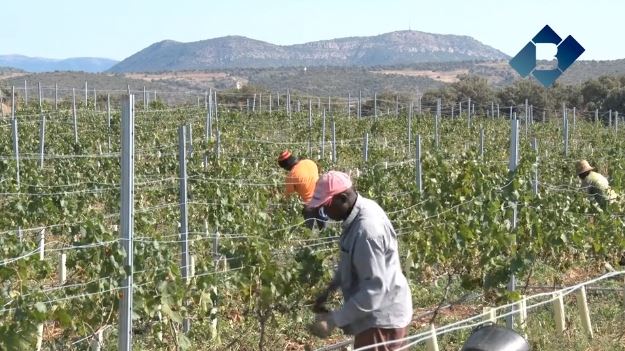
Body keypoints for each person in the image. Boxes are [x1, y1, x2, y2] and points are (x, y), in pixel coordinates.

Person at [307, 171, 412, 350]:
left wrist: (334, 320)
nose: (325, 213)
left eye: (326, 206)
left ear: (343, 198)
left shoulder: (367, 231)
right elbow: (351, 258)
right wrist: (330, 289)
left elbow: (375, 290)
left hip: (381, 320)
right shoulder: (359, 213)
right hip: (374, 318)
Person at [277, 150, 327, 230]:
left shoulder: (292, 175)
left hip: (308, 206)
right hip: (321, 200)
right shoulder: (310, 162)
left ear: (286, 166)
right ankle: (328, 241)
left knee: (307, 232)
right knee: (324, 229)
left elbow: (288, 197)